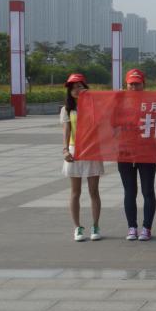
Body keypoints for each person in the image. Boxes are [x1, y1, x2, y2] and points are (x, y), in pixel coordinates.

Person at [61, 73, 104, 242]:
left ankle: (96, 225)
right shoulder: (67, 109)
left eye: (79, 86)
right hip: (75, 151)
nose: (76, 90)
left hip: (92, 150)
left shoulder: (96, 106)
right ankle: (77, 227)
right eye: (73, 88)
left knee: (94, 191)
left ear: (86, 87)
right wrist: (65, 150)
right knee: (75, 192)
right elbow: (67, 131)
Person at [117, 68, 156, 241]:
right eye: (131, 84)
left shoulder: (152, 103)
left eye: (137, 84)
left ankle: (147, 228)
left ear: (143, 84)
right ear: (126, 85)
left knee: (148, 190)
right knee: (129, 191)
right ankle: (132, 227)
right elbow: (110, 124)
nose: (134, 87)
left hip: (147, 152)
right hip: (125, 152)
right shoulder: (119, 103)